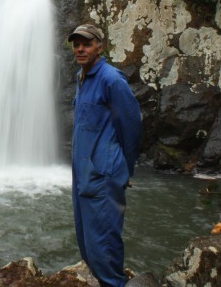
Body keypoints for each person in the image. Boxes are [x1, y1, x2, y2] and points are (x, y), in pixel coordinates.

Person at [68, 23, 141, 287]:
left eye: (86, 43)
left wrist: (125, 169)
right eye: (76, 44)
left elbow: (131, 126)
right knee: (87, 247)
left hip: (103, 178)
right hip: (83, 178)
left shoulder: (111, 79)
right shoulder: (82, 78)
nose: (80, 48)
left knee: (104, 249)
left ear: (100, 46)